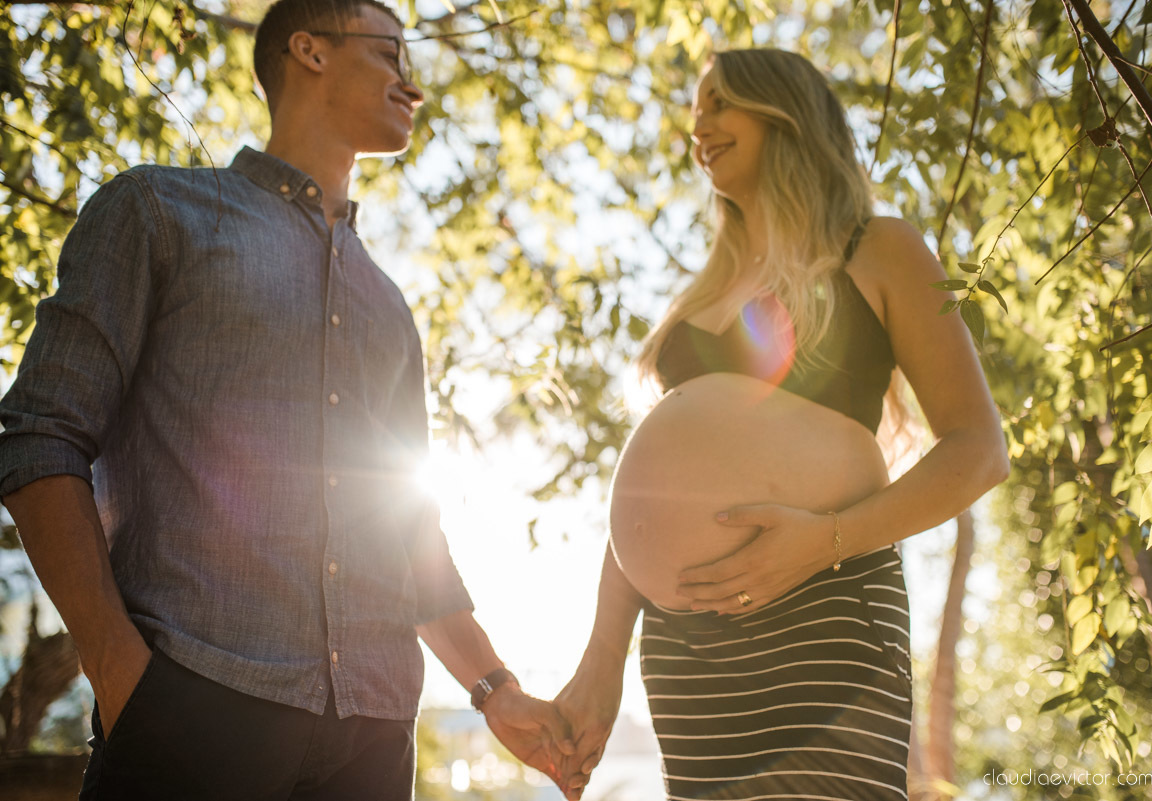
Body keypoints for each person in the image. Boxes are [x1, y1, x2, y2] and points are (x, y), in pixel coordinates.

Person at [0, 1, 575, 798]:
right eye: (390, 55)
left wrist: (497, 691)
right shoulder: (158, 213)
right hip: (190, 710)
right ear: (308, 50)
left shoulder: (390, 307)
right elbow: (38, 435)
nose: (412, 87)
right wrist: (118, 670)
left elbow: (409, 529)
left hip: (374, 739)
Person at [554, 49, 1010, 801]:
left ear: (783, 112)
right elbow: (652, 498)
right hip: (687, 643)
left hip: (822, 607)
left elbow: (978, 449)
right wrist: (602, 658)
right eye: (694, 108)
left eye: (719, 103)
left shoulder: (879, 248)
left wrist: (822, 542)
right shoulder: (704, 288)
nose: (699, 124)